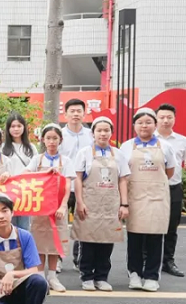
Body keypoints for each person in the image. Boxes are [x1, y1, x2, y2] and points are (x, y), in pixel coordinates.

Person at [120, 108, 177, 292]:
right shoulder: (127, 146)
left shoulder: (165, 146)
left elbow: (169, 171)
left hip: (157, 197)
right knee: (134, 237)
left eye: (148, 122)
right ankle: (134, 273)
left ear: (155, 125)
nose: (144, 126)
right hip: (134, 197)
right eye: (140, 122)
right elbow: (121, 173)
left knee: (155, 236)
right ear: (134, 125)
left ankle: (152, 275)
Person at [72, 116, 130, 291]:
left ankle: (102, 277)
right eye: (99, 130)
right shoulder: (84, 153)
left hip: (110, 204)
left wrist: (124, 204)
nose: (103, 133)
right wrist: (79, 202)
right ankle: (87, 276)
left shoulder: (118, 154)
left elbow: (122, 180)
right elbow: (78, 178)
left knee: (107, 241)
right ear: (93, 133)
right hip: (90, 203)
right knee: (88, 241)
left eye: (106, 130)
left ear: (111, 133)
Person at [25, 123, 74, 292]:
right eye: (48, 138)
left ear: (60, 140)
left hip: (57, 210)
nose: (52, 142)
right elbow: (26, 177)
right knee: (39, 243)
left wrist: (63, 206)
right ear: (42, 140)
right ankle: (39, 277)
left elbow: (67, 186)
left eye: (55, 138)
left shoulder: (66, 161)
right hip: (40, 209)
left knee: (54, 243)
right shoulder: (37, 160)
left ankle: (52, 276)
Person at [156, 103, 186, 278]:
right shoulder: (149, 138)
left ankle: (168, 261)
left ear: (174, 119)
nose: (165, 120)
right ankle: (147, 260)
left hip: (174, 187)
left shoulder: (182, 140)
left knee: (172, 226)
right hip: (153, 188)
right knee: (150, 225)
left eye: (169, 117)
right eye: (162, 117)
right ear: (156, 118)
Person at [59, 98, 94, 268]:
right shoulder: (59, 135)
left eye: (79, 111)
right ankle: (57, 259)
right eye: (71, 111)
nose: (75, 114)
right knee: (59, 224)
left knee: (82, 223)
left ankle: (78, 259)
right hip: (62, 187)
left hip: (85, 186)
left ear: (84, 113)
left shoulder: (91, 135)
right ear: (65, 114)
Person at [2, 111, 38, 231]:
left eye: (19, 126)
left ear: (24, 128)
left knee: (24, 227)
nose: (16, 129)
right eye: (13, 126)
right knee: (7, 225)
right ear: (8, 129)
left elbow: (36, 167)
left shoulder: (31, 148)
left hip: (25, 192)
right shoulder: (2, 148)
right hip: (7, 192)